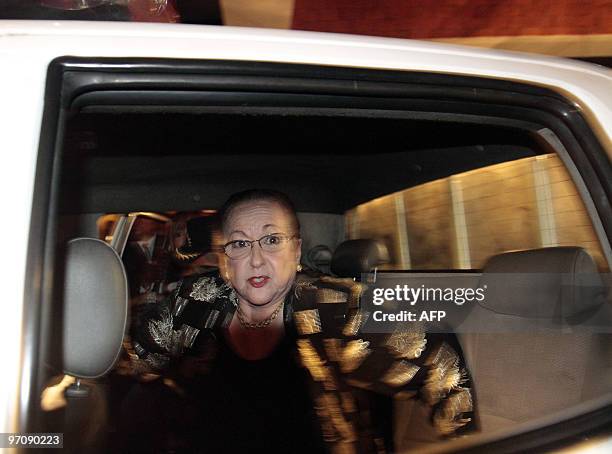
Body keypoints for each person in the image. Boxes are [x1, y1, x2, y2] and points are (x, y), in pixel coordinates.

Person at [128, 189, 475, 453]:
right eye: (238, 244)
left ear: (296, 251)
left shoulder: (335, 308)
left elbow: (442, 367)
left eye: (272, 240)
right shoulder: (197, 298)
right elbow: (141, 356)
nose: (256, 259)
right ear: (222, 261)